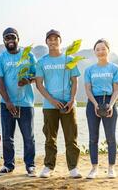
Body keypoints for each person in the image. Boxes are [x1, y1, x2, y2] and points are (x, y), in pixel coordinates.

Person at [35, 29, 82, 178]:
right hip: (50, 106)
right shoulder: (42, 61)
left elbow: (75, 81)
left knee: (71, 137)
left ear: (60, 41)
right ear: (46, 42)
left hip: (68, 105)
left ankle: (73, 168)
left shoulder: (69, 59)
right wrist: (52, 100)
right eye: (50, 39)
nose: (53, 41)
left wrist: (72, 99)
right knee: (50, 137)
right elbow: (39, 84)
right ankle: (49, 166)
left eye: (56, 39)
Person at [0, 27, 37, 177]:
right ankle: (8, 165)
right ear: (4, 41)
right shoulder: (0, 58)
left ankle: (30, 166)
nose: (10, 40)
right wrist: (7, 101)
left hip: (26, 103)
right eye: (7, 38)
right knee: (7, 136)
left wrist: (27, 80)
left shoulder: (28, 55)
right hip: (7, 104)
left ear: (18, 38)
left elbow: (37, 75)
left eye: (13, 37)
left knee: (28, 136)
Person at [84, 39, 118, 179]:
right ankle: (94, 168)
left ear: (108, 50)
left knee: (111, 138)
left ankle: (111, 168)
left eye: (103, 48)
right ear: (94, 52)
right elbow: (88, 89)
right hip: (93, 102)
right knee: (93, 138)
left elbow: (117, 90)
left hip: (109, 101)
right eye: (97, 49)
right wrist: (94, 104)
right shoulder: (89, 70)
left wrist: (111, 105)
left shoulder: (115, 69)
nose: (100, 51)